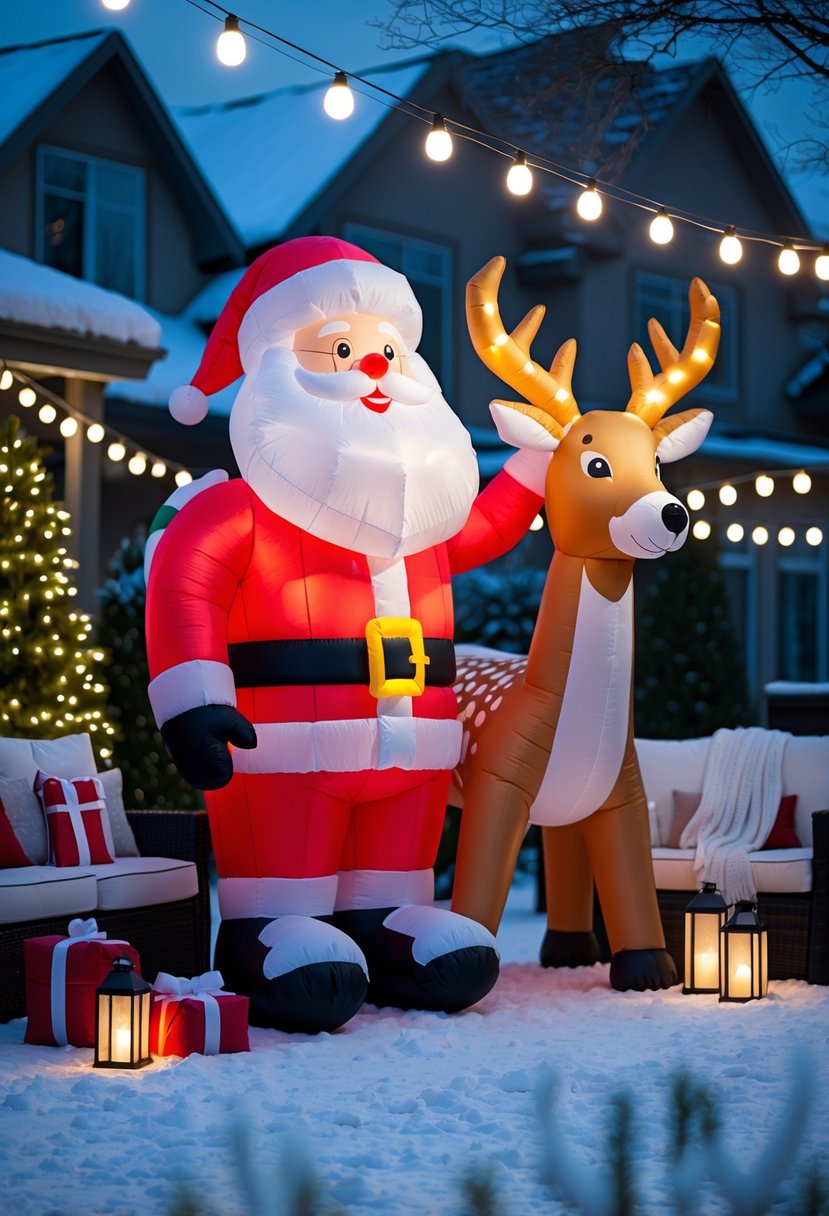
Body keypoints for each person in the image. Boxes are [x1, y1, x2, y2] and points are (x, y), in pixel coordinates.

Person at [145, 236, 547, 1032]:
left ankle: (389, 924)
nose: (371, 368)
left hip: (410, 751)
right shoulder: (241, 510)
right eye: (338, 349)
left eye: (387, 351)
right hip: (288, 746)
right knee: (289, 875)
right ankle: (270, 933)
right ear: (271, 370)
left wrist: (537, 462)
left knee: (394, 868)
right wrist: (192, 703)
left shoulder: (425, 518)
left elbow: (490, 524)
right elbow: (183, 586)